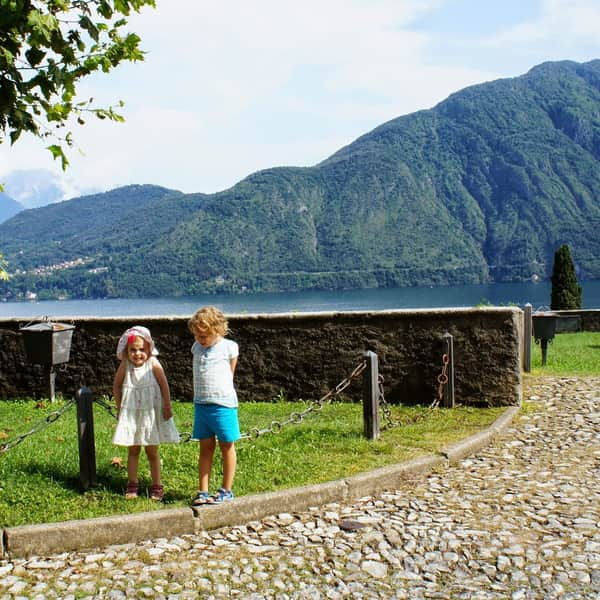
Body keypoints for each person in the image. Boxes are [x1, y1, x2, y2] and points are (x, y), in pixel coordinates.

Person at [112, 325, 180, 501]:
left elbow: (164, 385)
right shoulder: (125, 365)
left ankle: (157, 485)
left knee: (152, 452)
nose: (137, 353)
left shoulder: (153, 363)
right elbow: (116, 386)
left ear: (149, 348)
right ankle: (132, 484)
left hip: (150, 413)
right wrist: (119, 407)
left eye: (142, 349)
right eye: (133, 350)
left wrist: (167, 405)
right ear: (127, 351)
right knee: (133, 450)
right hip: (132, 414)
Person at [188, 306, 240, 505]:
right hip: (202, 404)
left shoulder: (229, 347)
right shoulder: (196, 347)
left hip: (223, 404)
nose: (201, 339)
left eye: (205, 335)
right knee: (205, 447)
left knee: (227, 445)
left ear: (218, 330)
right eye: (198, 335)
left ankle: (226, 489)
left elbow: (229, 373)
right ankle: (203, 490)